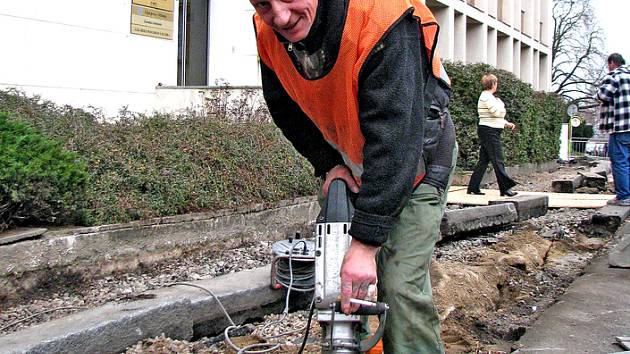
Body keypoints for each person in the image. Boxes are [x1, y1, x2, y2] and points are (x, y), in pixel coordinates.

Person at [249, 0, 457, 352]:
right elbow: (284, 107)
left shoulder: (380, 15)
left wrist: (365, 245)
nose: (280, 17)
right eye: (264, 3)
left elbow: (396, 139)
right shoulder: (268, 32)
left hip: (414, 159)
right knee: (336, 281)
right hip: (351, 156)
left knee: (399, 284)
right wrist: (329, 163)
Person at [467, 74, 518, 197]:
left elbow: (493, 117)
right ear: (493, 84)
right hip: (490, 132)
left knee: (484, 160)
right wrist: (502, 105)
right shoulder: (487, 97)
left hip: (488, 129)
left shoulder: (488, 97)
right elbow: (497, 112)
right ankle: (505, 188)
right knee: (498, 160)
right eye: (496, 83)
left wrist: (506, 123)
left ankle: (473, 187)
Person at [598, 53, 630, 206]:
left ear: (612, 63)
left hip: (621, 126)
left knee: (619, 161)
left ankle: (623, 196)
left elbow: (603, 95)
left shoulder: (615, 76)